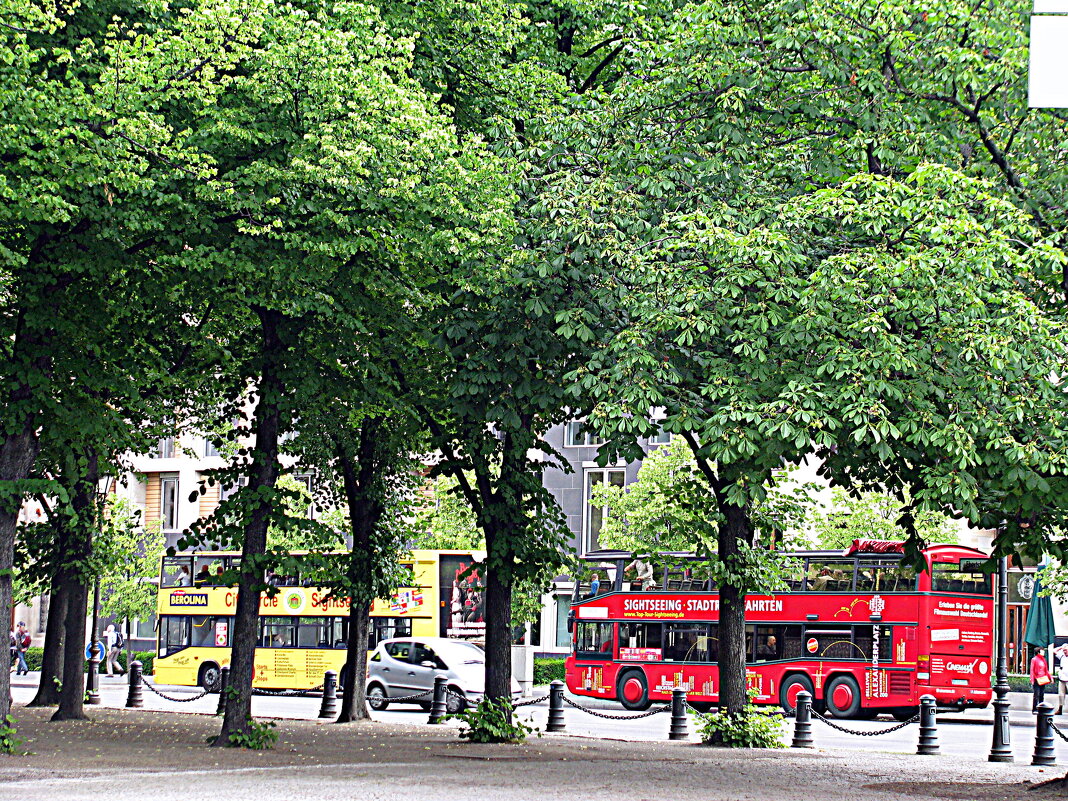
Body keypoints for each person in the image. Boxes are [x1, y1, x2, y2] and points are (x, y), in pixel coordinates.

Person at [1031, 647, 1053, 713]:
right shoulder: (1034, 659)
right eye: (1042, 651)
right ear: (1038, 652)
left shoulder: (1043, 659)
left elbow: (1046, 670)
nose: (1043, 652)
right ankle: (1035, 708)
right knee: (1036, 694)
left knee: (1041, 694)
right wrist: (1032, 679)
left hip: (1043, 678)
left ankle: (1041, 708)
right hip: (1037, 678)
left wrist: (1050, 678)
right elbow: (1032, 670)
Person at [1057, 645, 1068, 715]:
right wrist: (1061, 647)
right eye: (1064, 650)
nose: (1064, 652)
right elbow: (1054, 651)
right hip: (1062, 678)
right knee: (1061, 694)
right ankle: (1060, 709)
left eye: (1066, 650)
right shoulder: (1062, 656)